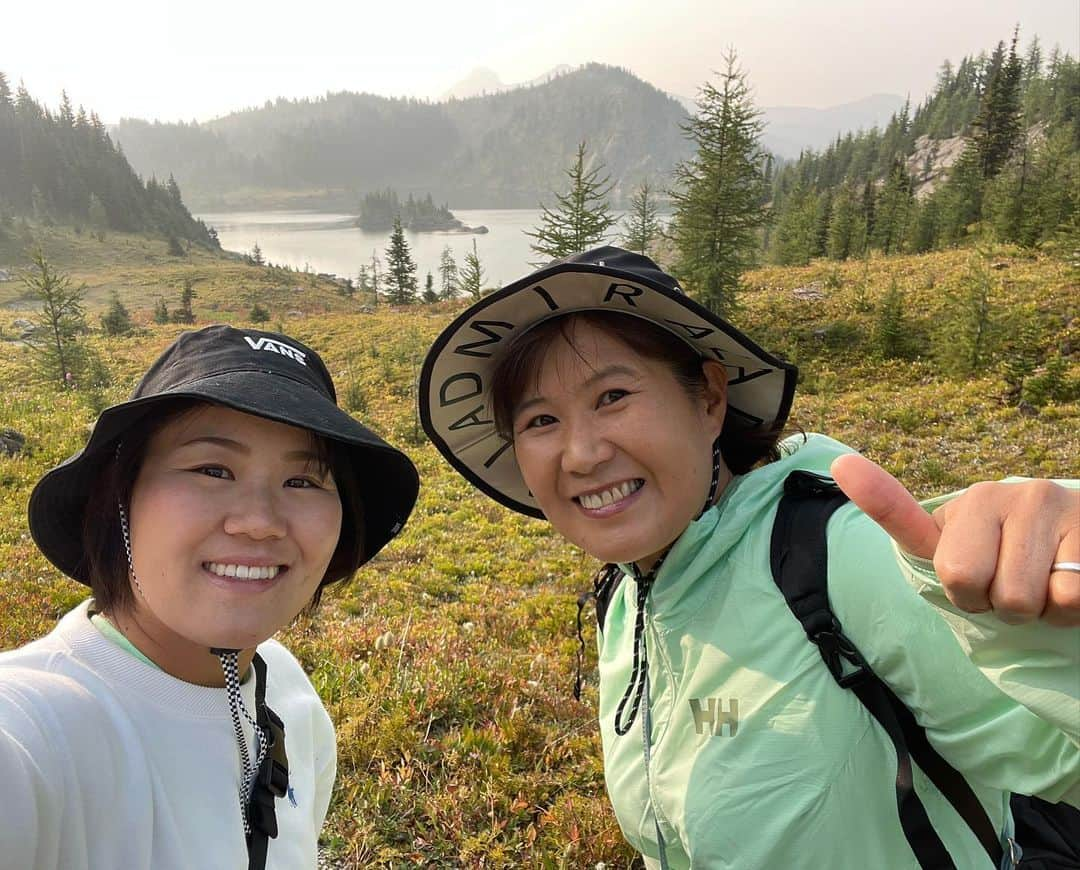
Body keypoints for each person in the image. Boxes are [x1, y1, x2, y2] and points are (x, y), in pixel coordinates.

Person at [418, 247, 1079, 868]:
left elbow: (1061, 756)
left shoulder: (839, 558)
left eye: (612, 397)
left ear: (708, 398)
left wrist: (1051, 613)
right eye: (540, 421)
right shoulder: (627, 597)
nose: (582, 454)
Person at [0, 325, 419, 870]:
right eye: (212, 470)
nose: (260, 523)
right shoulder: (35, 729)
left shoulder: (286, 689)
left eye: (304, 481)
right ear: (120, 498)